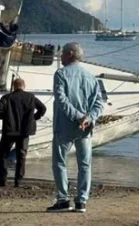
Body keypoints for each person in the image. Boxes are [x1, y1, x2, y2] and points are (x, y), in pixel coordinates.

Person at [47, 42, 105, 213]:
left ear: (71, 54)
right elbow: (99, 104)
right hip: (85, 128)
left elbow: (61, 99)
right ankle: (81, 201)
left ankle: (63, 199)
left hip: (64, 125)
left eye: (63, 53)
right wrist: (88, 118)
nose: (60, 56)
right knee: (85, 165)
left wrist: (78, 116)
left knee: (59, 162)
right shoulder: (91, 76)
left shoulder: (61, 74)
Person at [0, 77, 46, 187]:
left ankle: (2, 179)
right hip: (25, 131)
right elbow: (43, 108)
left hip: (9, 130)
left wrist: (4, 117)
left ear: (14, 86)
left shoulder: (7, 97)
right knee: (21, 155)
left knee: (3, 153)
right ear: (24, 86)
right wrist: (34, 117)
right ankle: (18, 181)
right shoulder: (31, 97)